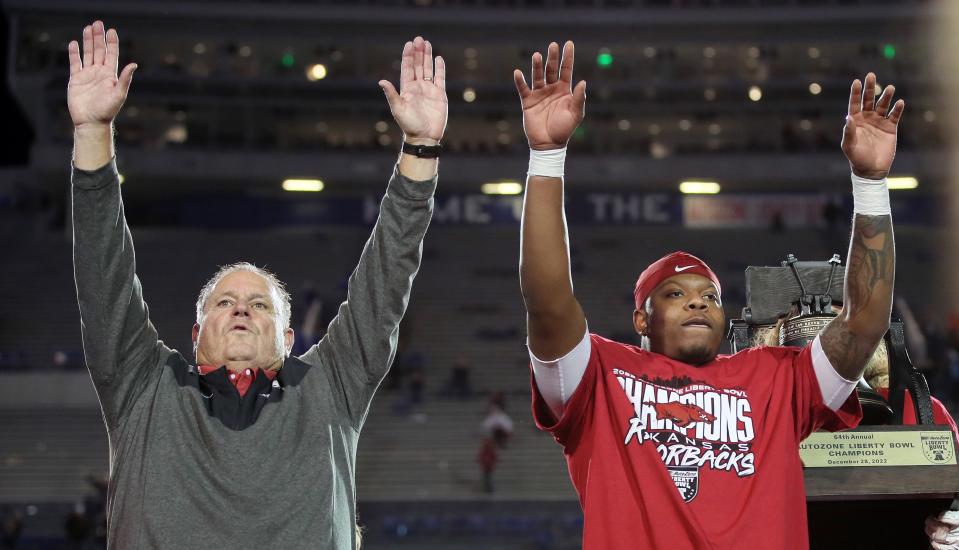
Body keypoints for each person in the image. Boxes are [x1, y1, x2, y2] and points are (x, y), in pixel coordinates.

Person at [68, 21, 447, 548]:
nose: (242, 309)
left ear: (290, 341)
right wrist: (91, 134)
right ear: (196, 332)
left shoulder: (328, 389)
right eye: (225, 302)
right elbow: (102, 274)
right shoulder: (143, 388)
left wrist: (422, 146)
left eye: (259, 305)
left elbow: (385, 281)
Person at [516, 40, 902, 549]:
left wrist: (870, 183)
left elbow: (864, 324)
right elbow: (547, 301)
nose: (699, 302)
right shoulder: (600, 379)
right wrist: (547, 157)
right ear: (641, 319)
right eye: (675, 294)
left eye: (711, 296)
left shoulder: (778, 379)